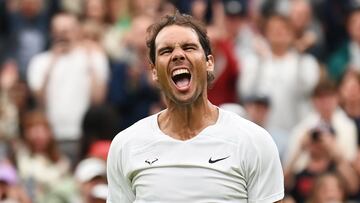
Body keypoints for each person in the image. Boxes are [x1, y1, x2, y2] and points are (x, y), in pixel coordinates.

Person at [107, 11, 284, 202]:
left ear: (209, 63)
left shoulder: (254, 142)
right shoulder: (126, 145)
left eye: (189, 47)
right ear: (154, 71)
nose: (177, 55)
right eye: (166, 51)